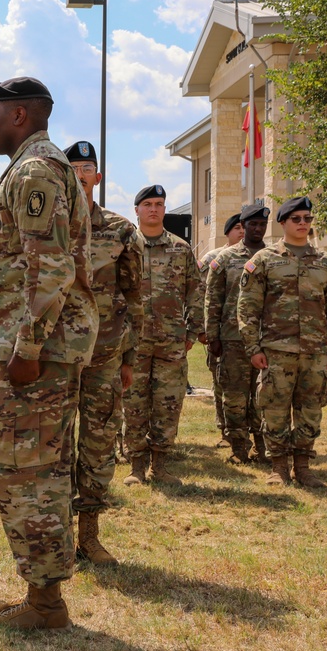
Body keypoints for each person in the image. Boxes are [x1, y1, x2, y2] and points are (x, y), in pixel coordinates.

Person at [0, 77, 97, 632]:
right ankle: (40, 594)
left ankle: (45, 604)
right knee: (35, 470)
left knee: (31, 475)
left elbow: (50, 267)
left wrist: (26, 348)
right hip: (32, 350)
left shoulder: (35, 171)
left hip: (31, 356)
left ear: (19, 116)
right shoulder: (31, 168)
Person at [62, 140, 142, 567]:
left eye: (86, 168)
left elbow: (135, 295)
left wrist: (128, 359)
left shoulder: (119, 229)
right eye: (71, 167)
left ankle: (90, 537)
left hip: (104, 355)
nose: (79, 174)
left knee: (97, 444)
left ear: (98, 176)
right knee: (54, 446)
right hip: (54, 356)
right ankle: (58, 540)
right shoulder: (48, 225)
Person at [237, 196, 327, 487]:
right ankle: (279, 467)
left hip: (315, 351)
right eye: (296, 219)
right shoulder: (264, 260)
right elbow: (247, 307)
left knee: (310, 410)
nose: (302, 224)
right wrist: (253, 347)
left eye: (307, 219)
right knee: (275, 408)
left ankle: (304, 466)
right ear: (283, 222)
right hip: (276, 350)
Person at [122, 185, 204, 487]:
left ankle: (161, 464)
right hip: (134, 341)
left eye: (159, 203)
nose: (153, 209)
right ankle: (136, 465)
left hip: (171, 340)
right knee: (133, 403)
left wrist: (193, 330)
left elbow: (195, 292)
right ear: (137, 210)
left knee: (168, 404)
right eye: (147, 204)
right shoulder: (126, 247)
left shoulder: (180, 249)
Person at [205, 204, 270, 464]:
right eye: (252, 224)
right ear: (243, 227)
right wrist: (213, 337)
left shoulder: (274, 256)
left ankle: (262, 447)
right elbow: (213, 300)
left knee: (264, 397)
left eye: (262, 225)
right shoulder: (225, 258)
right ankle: (238, 448)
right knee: (234, 396)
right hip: (232, 339)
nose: (258, 228)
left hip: (266, 339)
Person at [200, 213, 245, 449]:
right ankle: (225, 431)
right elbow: (201, 295)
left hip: (248, 335)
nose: (242, 232)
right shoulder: (213, 258)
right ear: (227, 232)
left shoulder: (259, 255)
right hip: (222, 332)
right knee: (221, 383)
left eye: (243, 227)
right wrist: (204, 329)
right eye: (237, 228)